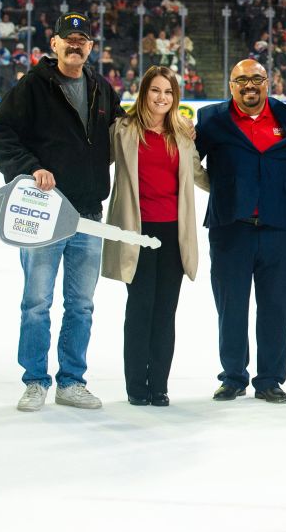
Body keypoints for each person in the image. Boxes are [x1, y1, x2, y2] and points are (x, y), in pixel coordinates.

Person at [0, 11, 124, 412]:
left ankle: (71, 381)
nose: (76, 45)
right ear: (55, 45)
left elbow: (120, 134)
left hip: (88, 216)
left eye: (83, 40)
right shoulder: (33, 86)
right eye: (69, 39)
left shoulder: (101, 88)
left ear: (91, 48)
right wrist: (29, 169)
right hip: (44, 216)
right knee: (37, 302)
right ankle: (34, 380)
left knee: (81, 304)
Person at [196, 59, 286, 403]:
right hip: (230, 229)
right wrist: (218, 189)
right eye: (241, 80)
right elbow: (185, 161)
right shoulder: (211, 119)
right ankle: (233, 376)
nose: (249, 85)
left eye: (256, 78)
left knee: (275, 306)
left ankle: (270, 378)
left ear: (268, 81)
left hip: (278, 229)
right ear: (231, 85)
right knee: (231, 306)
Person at [102, 66, 208, 406]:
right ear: (144, 92)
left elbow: (200, 176)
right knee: (140, 307)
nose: (162, 97)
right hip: (137, 232)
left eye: (168, 92)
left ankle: (159, 385)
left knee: (165, 311)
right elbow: (92, 161)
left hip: (173, 234)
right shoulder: (123, 130)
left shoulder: (181, 135)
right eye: (155, 90)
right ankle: (137, 385)